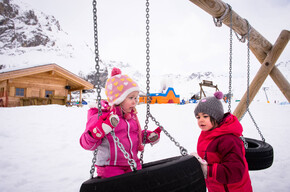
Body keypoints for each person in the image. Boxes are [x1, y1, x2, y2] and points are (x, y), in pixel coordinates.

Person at [80, 67, 161, 178]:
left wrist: (147, 136)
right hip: (110, 167)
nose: (135, 102)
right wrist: (97, 132)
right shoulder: (102, 117)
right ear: (118, 99)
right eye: (131, 98)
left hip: (132, 164)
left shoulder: (131, 117)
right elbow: (86, 144)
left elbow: (134, 136)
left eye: (136, 98)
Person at [191, 91, 253, 192]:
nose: (200, 120)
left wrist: (208, 170)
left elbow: (236, 171)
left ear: (216, 117)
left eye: (205, 116)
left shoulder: (228, 140)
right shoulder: (207, 134)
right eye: (198, 117)